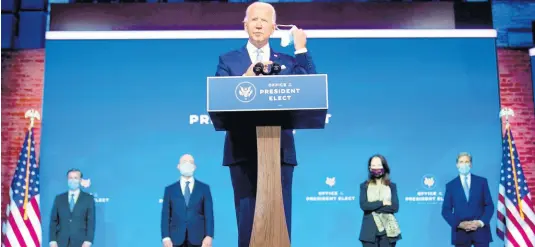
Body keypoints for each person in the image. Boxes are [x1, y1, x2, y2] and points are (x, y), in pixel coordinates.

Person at [214, 2, 316, 246]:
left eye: (264, 20)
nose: (258, 24)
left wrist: (301, 48)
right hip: (242, 152)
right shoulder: (228, 60)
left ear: (273, 27)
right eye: (253, 19)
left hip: (279, 152)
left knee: (280, 223)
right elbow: (219, 100)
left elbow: (309, 89)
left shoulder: (288, 61)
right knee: (248, 225)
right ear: (245, 25)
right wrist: (245, 79)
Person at [441, 152, 494, 247]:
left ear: (471, 164)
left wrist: (480, 223)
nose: (464, 164)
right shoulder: (451, 186)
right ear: (457, 165)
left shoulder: (482, 182)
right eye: (461, 162)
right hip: (461, 233)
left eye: (467, 161)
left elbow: (489, 205)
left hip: (481, 232)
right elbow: (446, 210)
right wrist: (460, 224)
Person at [161, 154, 214, 247]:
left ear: (195, 167)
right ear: (178, 166)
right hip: (175, 240)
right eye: (184, 162)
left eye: (190, 162)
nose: (187, 164)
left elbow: (209, 215)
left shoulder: (204, 188)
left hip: (199, 240)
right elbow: (166, 215)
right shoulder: (169, 190)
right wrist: (165, 237)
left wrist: (209, 236)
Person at [359, 154, 402, 247]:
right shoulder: (364, 186)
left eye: (379, 165)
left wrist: (373, 206)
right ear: (370, 168)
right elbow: (364, 206)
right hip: (368, 233)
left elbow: (394, 207)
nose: (376, 168)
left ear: (384, 167)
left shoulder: (391, 186)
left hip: (388, 231)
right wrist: (383, 202)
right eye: (373, 166)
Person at [49, 169, 95, 247]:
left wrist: (88, 241)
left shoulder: (88, 199)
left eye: (75, 178)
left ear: (80, 180)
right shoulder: (59, 198)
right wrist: (52, 240)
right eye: (70, 178)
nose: (72, 180)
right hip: (61, 242)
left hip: (81, 242)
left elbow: (91, 222)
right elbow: (53, 221)